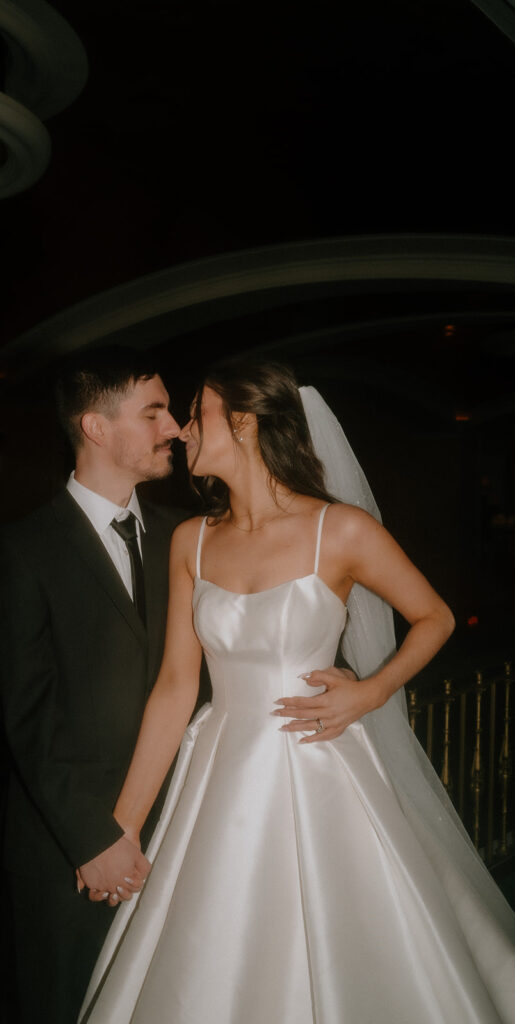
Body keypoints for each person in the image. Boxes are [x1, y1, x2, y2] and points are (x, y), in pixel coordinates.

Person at [79, 360, 515, 1023]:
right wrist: (124, 827)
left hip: (318, 765)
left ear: (247, 425)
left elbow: (435, 618)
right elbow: (174, 685)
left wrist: (369, 692)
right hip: (217, 772)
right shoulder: (191, 541)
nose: (183, 430)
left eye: (198, 413)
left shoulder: (337, 530)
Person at [0, 348, 185, 1024]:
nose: (175, 427)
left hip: (178, 826)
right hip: (66, 847)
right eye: (154, 412)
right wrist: (92, 841)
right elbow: (27, 714)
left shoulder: (182, 537)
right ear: (95, 427)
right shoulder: (23, 548)